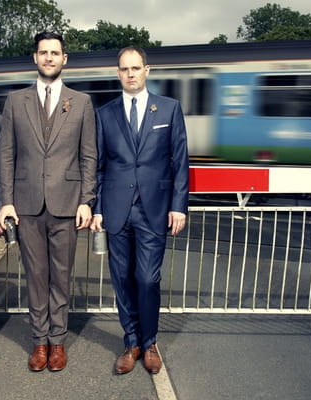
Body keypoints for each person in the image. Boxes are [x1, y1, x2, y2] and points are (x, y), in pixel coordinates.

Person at [0, 32, 97, 372]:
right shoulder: (15, 101)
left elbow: (88, 157)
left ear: (64, 59)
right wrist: (5, 201)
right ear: (34, 58)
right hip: (26, 206)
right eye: (43, 52)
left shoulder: (81, 102)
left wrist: (87, 200)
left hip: (67, 205)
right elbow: (5, 156)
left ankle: (58, 342)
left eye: (55, 53)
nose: (49, 58)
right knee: (36, 275)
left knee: (61, 276)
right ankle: (40, 342)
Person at [90, 46, 189, 374]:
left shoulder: (169, 110)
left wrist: (178, 206)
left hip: (154, 210)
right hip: (117, 211)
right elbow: (101, 167)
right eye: (124, 69)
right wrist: (99, 209)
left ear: (147, 70)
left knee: (147, 279)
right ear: (117, 73)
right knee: (122, 279)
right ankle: (131, 341)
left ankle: (149, 342)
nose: (130, 74)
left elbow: (180, 161)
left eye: (136, 68)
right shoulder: (105, 113)